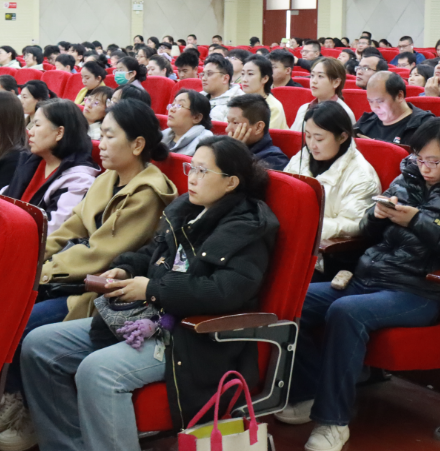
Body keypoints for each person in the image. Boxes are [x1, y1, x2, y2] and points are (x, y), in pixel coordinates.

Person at [21, 137, 275, 451]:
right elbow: (153, 253)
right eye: (191, 168)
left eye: (202, 171)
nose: (192, 178)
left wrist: (152, 289)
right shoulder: (188, 209)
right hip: (150, 317)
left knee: (98, 371)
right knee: (39, 345)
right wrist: (126, 268)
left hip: (193, 338)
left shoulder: (248, 228)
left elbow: (225, 291)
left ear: (231, 182)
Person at [280, 119, 440, 451]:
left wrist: (419, 220)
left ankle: (333, 422)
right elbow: (368, 231)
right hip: (368, 279)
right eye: (419, 158)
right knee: (290, 303)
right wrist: (375, 216)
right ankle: (307, 389)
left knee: (346, 311)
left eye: (433, 161)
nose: (424, 168)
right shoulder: (406, 178)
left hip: (417, 292)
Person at [0, 99, 177, 450]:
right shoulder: (107, 178)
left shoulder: (148, 193)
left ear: (137, 144)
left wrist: (43, 273)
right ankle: (17, 397)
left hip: (101, 290)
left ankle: (30, 411)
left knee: (25, 322)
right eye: (100, 135)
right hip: (69, 277)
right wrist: (30, 260)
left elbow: (100, 254)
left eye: (109, 136)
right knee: (6, 303)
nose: (100, 144)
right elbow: (68, 230)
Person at [286, 102, 380, 243]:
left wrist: (301, 224)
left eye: (319, 139)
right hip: (293, 236)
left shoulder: (362, 177)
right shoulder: (303, 156)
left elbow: (353, 224)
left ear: (342, 137)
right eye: (308, 136)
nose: (311, 145)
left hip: (324, 247)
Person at [4, 99, 98, 234]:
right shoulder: (31, 161)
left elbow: (51, 231)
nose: (30, 132)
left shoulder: (79, 180)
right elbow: (4, 199)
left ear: (59, 133)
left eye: (37, 125)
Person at [354, 72, 433, 146]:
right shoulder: (366, 122)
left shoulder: (425, 126)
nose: (374, 107)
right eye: (370, 101)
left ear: (399, 96)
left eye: (380, 101)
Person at [226, 93, 290, 170]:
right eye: (228, 122)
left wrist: (235, 152)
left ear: (258, 127)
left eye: (235, 122)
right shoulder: (224, 147)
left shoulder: (274, 159)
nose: (227, 129)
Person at [290, 58, 356, 131]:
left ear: (336, 82)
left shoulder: (344, 114)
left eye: (320, 76)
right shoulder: (304, 109)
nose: (313, 81)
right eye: (312, 75)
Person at [237, 54, 288, 130]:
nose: (244, 79)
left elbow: (267, 135)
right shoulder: (237, 102)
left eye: (250, 74)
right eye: (242, 74)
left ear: (265, 78)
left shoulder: (273, 107)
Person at [161, 89, 214, 156]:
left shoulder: (204, 143)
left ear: (196, 117)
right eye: (173, 105)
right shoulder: (162, 136)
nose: (171, 109)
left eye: (179, 106)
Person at [201, 54, 240, 122]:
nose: (203, 78)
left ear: (225, 78)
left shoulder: (239, 103)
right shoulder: (198, 98)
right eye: (203, 74)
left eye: (209, 74)